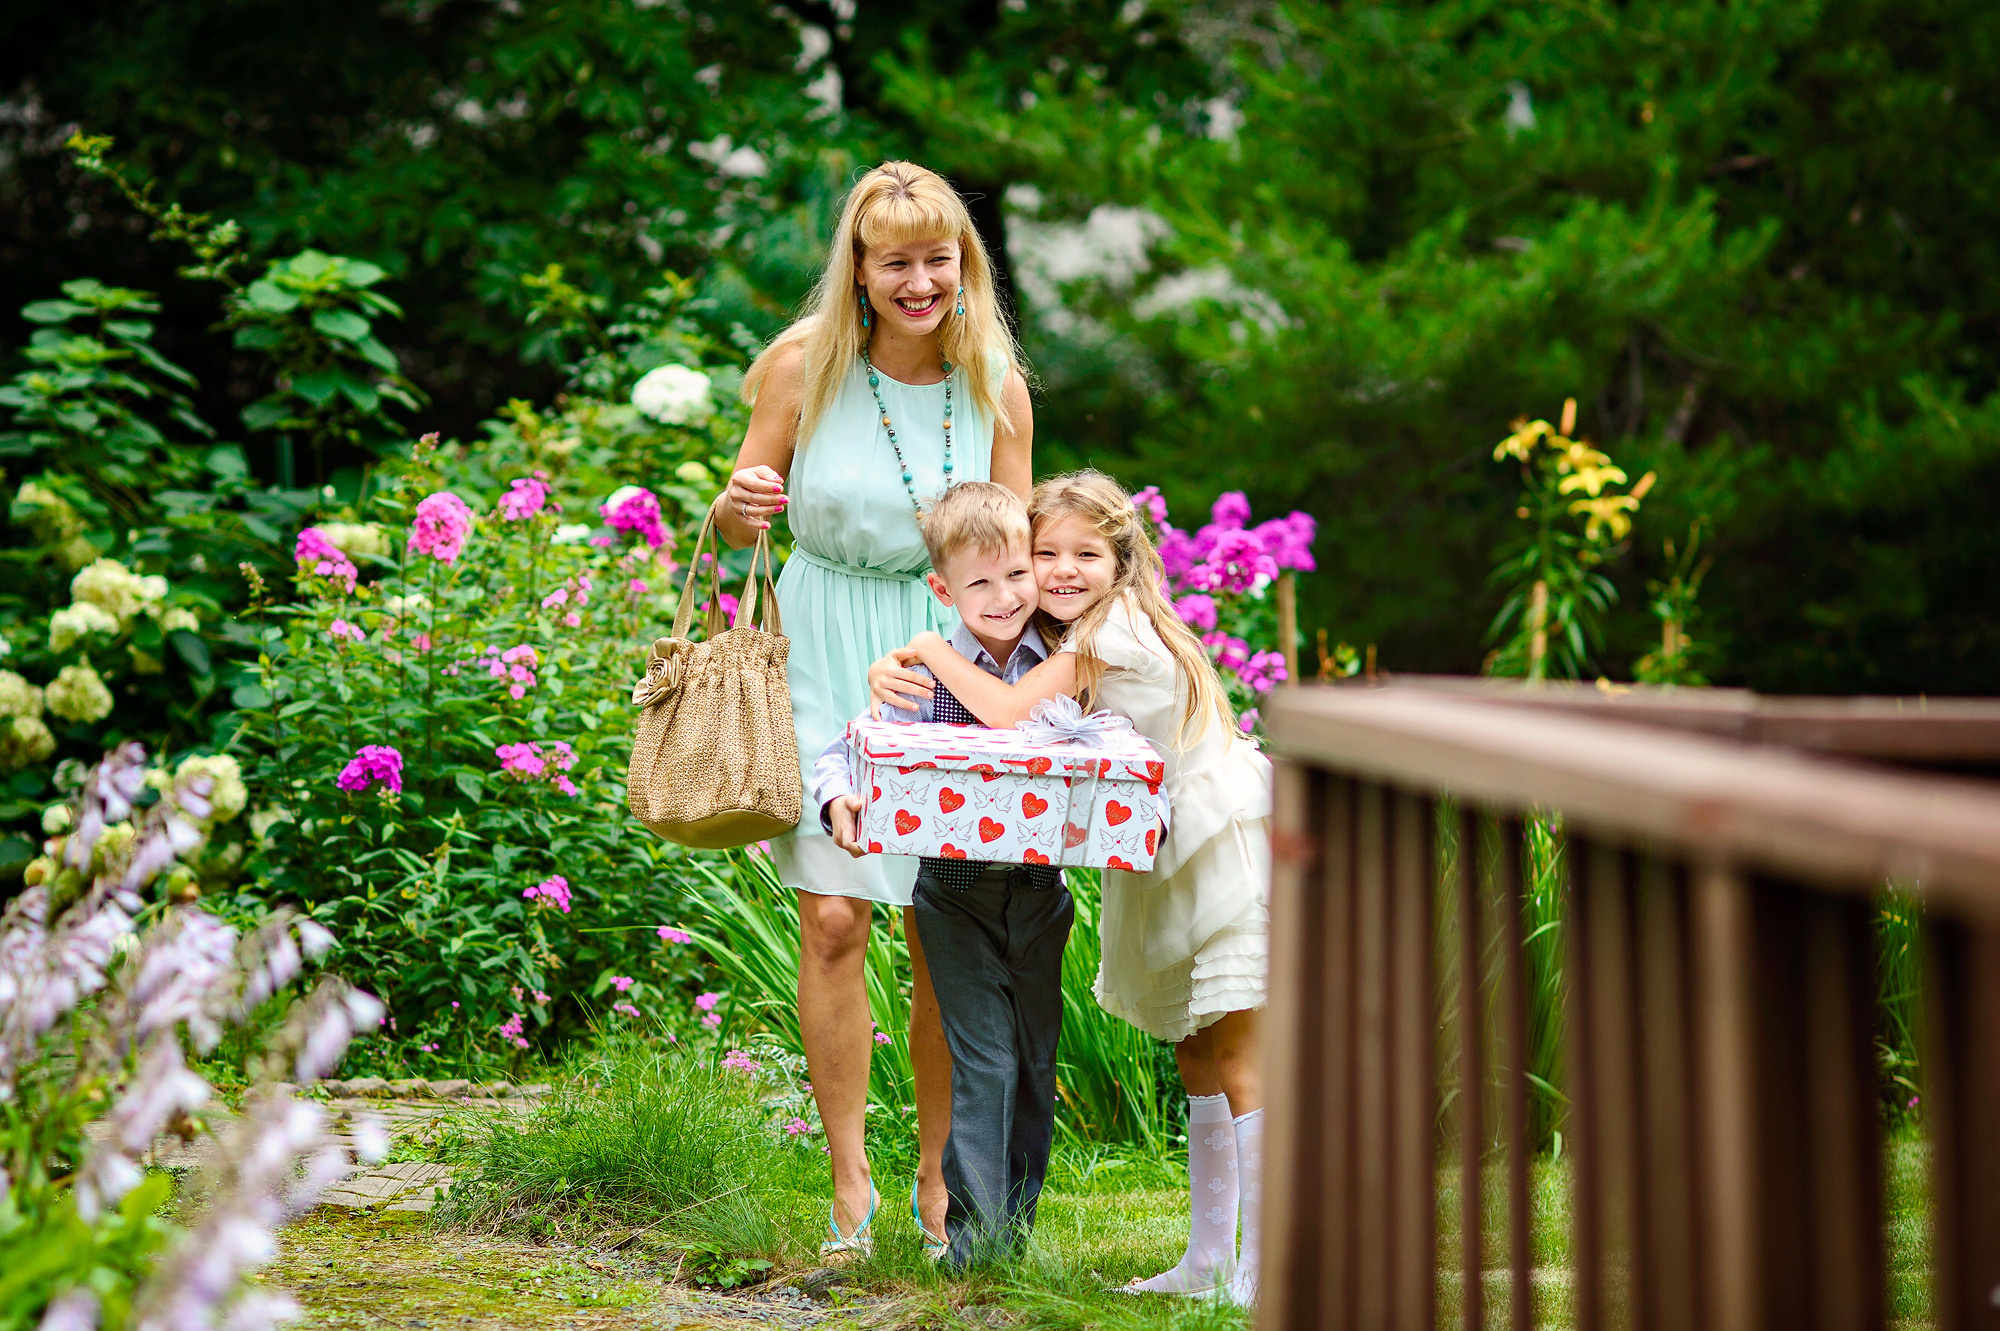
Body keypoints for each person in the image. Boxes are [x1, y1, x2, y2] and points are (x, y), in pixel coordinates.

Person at [715, 161, 1034, 1260]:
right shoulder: (801, 369)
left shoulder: (991, 380)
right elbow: (733, 522)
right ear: (857, 266)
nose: (918, 279)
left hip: (940, 662)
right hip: (818, 648)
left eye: (936, 257)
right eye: (893, 259)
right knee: (836, 916)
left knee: (936, 926)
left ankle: (939, 1179)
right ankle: (848, 1179)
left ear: (964, 263)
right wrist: (732, 504)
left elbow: (1014, 559)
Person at [868, 470, 1270, 1303]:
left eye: (1085, 553)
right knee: (1195, 1050)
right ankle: (1207, 1263)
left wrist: (928, 647)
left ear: (1121, 561)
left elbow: (1009, 712)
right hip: (1164, 847)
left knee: (1235, 1051)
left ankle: (1263, 1270)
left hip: (1212, 842)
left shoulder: (1110, 627)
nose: (1059, 569)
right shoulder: (1078, 634)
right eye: (1043, 551)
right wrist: (894, 666)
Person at [813, 482, 1074, 1267]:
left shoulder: (1061, 658)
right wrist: (839, 800)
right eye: (979, 582)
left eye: (1017, 575)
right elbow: (845, 750)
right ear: (942, 589)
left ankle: (1010, 1236)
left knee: (1033, 1060)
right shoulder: (919, 673)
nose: (1003, 597)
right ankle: (970, 1244)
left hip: (1037, 890)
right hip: (952, 891)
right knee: (983, 1059)